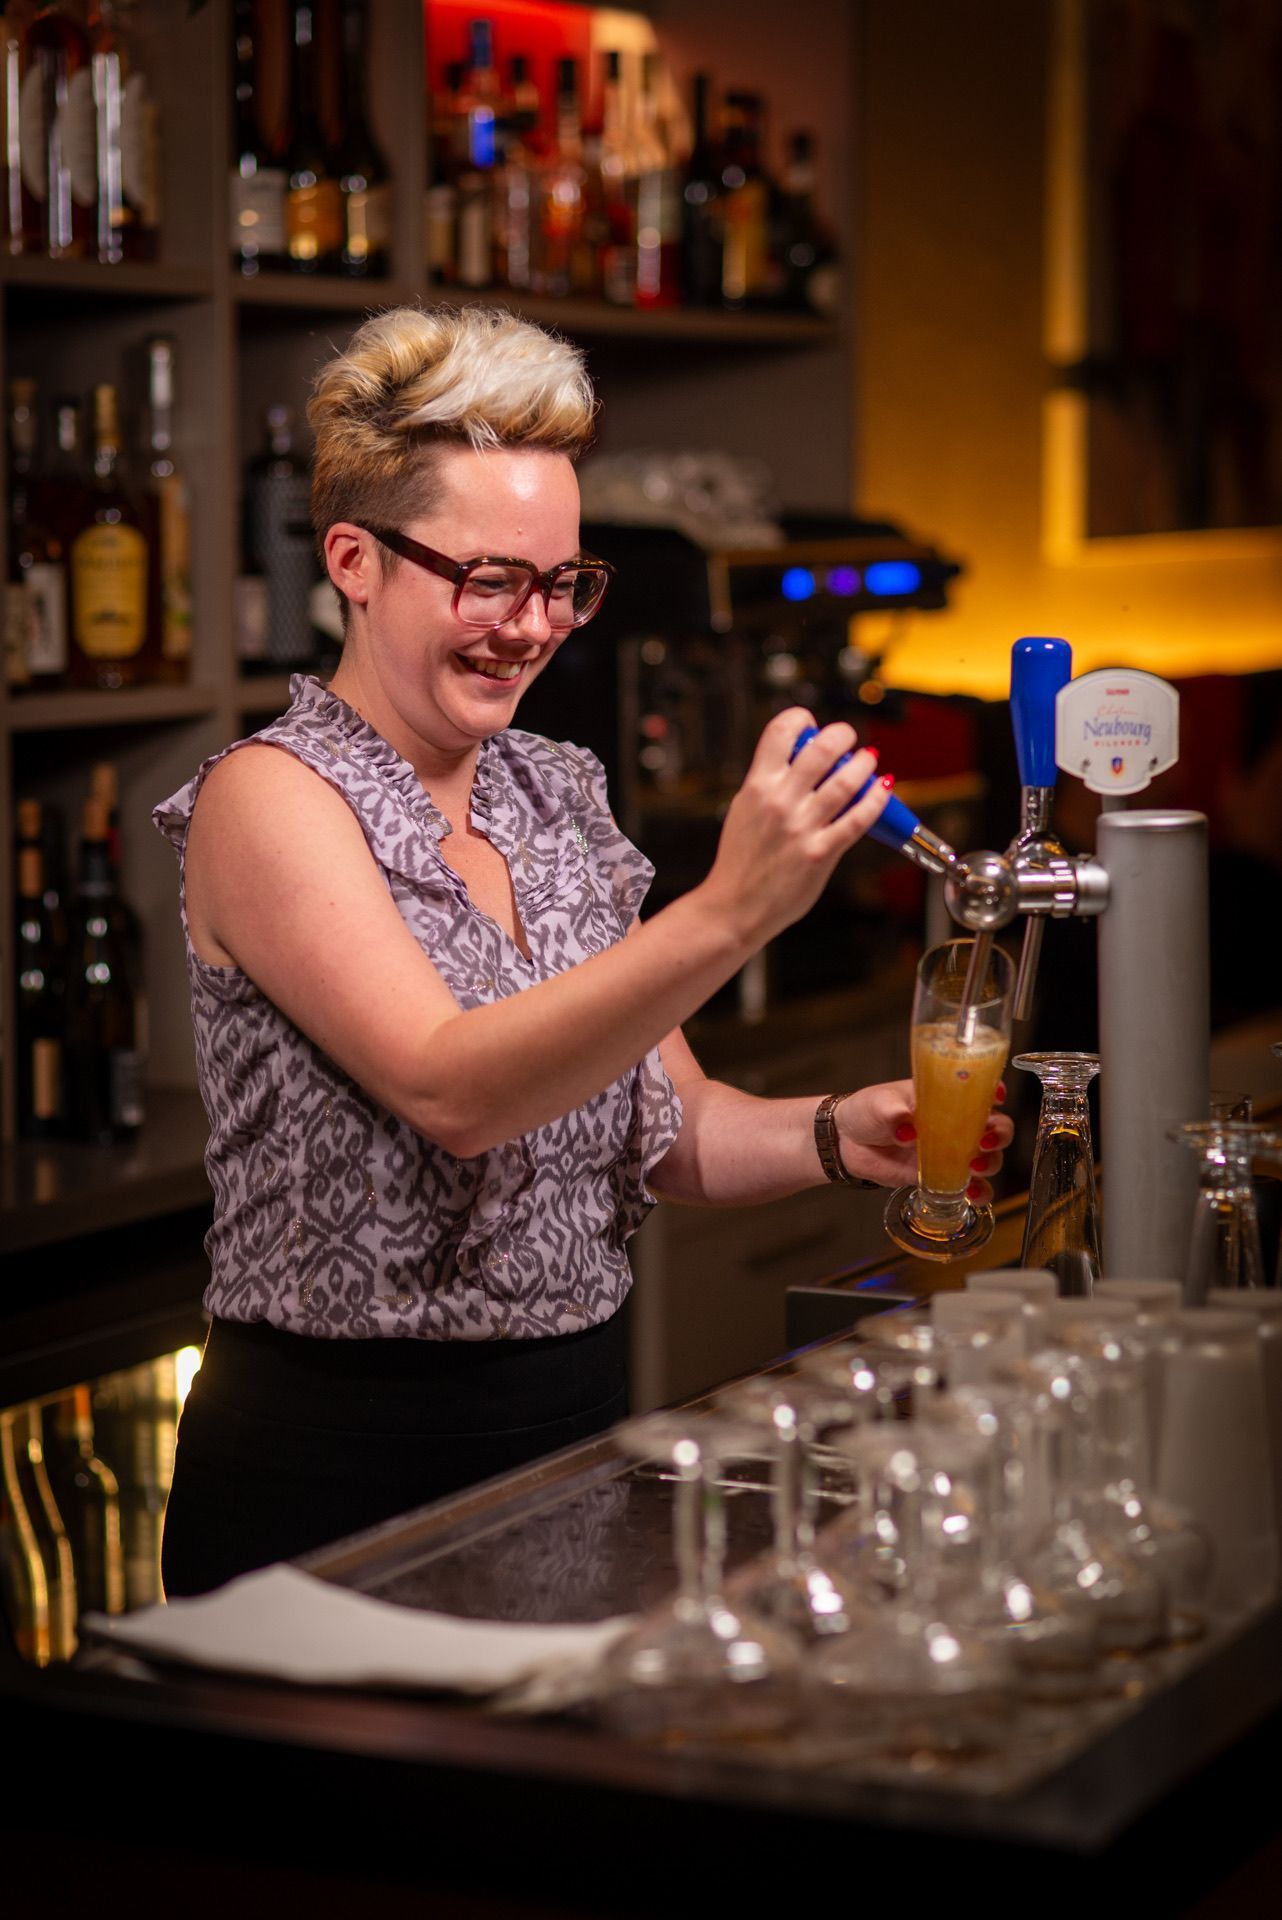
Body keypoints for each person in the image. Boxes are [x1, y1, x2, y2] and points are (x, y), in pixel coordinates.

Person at [154, 305, 1011, 1597]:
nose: (533, 625)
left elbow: (673, 1127)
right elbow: (452, 1088)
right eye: (489, 579)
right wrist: (730, 912)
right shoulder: (272, 798)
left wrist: (842, 1133)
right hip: (334, 1465)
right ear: (353, 560)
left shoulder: (551, 791)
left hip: (570, 1436)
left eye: (562, 584)